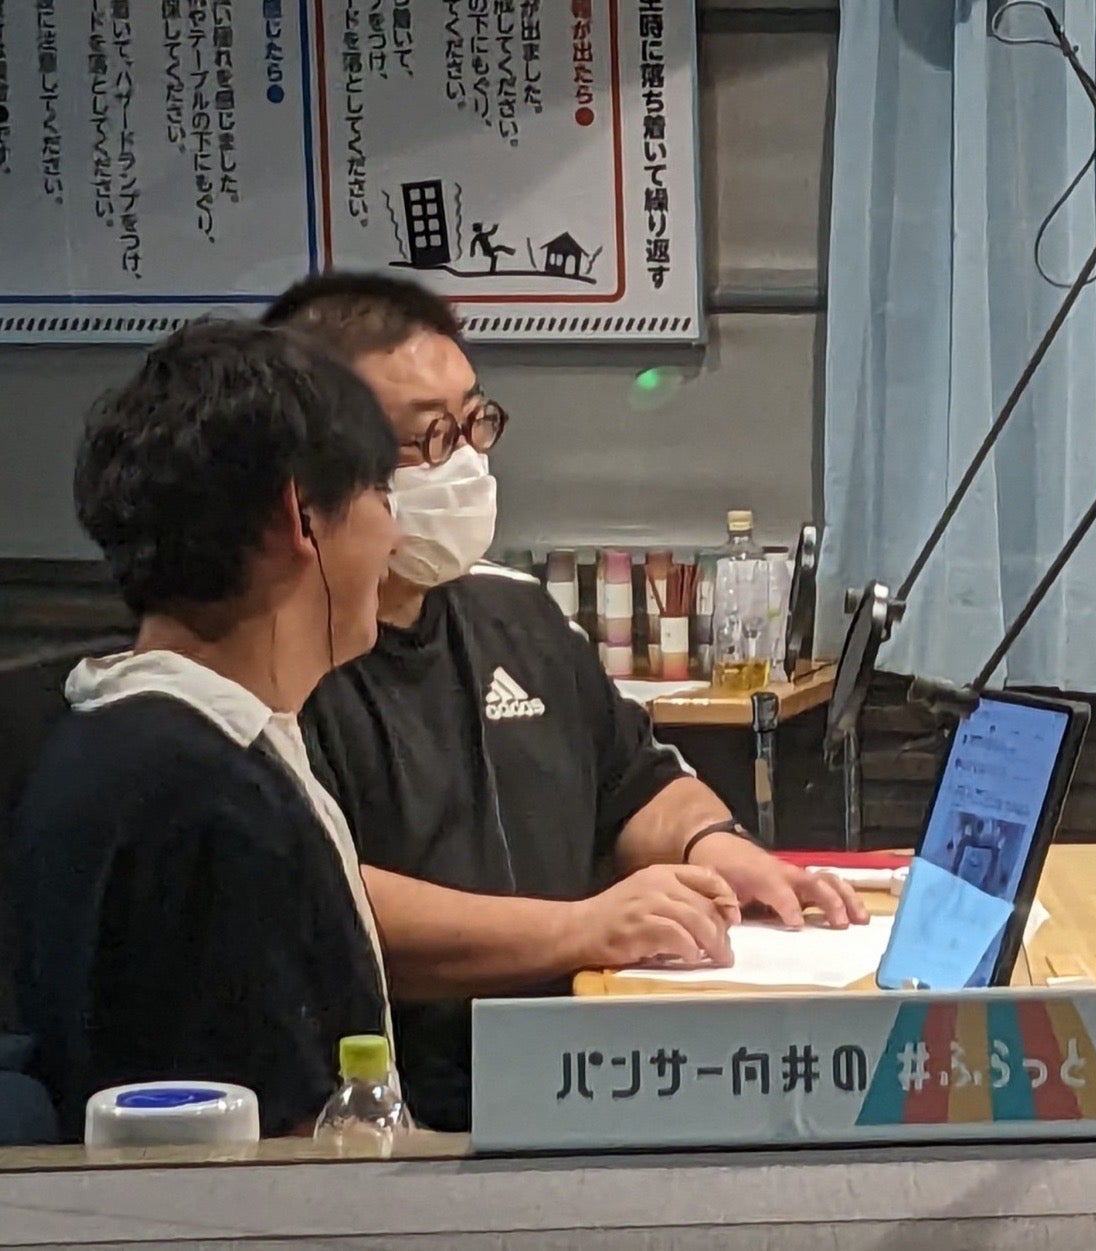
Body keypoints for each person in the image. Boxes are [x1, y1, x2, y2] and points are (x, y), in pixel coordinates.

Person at [261, 273, 867, 1132]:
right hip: (414, 1112)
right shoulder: (288, 662)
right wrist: (584, 927)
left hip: (590, 1061)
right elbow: (329, 901)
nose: (466, 464)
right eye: (429, 439)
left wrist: (715, 844)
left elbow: (635, 778)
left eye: (473, 423)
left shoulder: (515, 613)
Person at [8, 321, 400, 1137]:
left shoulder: (116, 731)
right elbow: (276, 1148)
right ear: (299, 515)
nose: (394, 534)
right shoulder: (211, 798)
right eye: (381, 495)